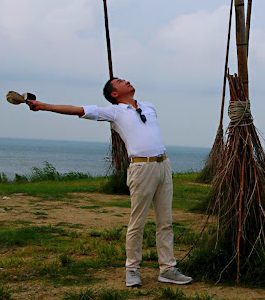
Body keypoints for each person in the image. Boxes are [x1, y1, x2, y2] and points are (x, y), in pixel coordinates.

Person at [26, 77, 192, 287]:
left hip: (163, 164)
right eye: (122, 82)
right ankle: (132, 269)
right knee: (137, 222)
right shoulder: (114, 112)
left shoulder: (149, 107)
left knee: (165, 222)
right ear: (115, 94)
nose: (128, 81)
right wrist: (42, 105)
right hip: (141, 168)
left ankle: (167, 269)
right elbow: (77, 110)